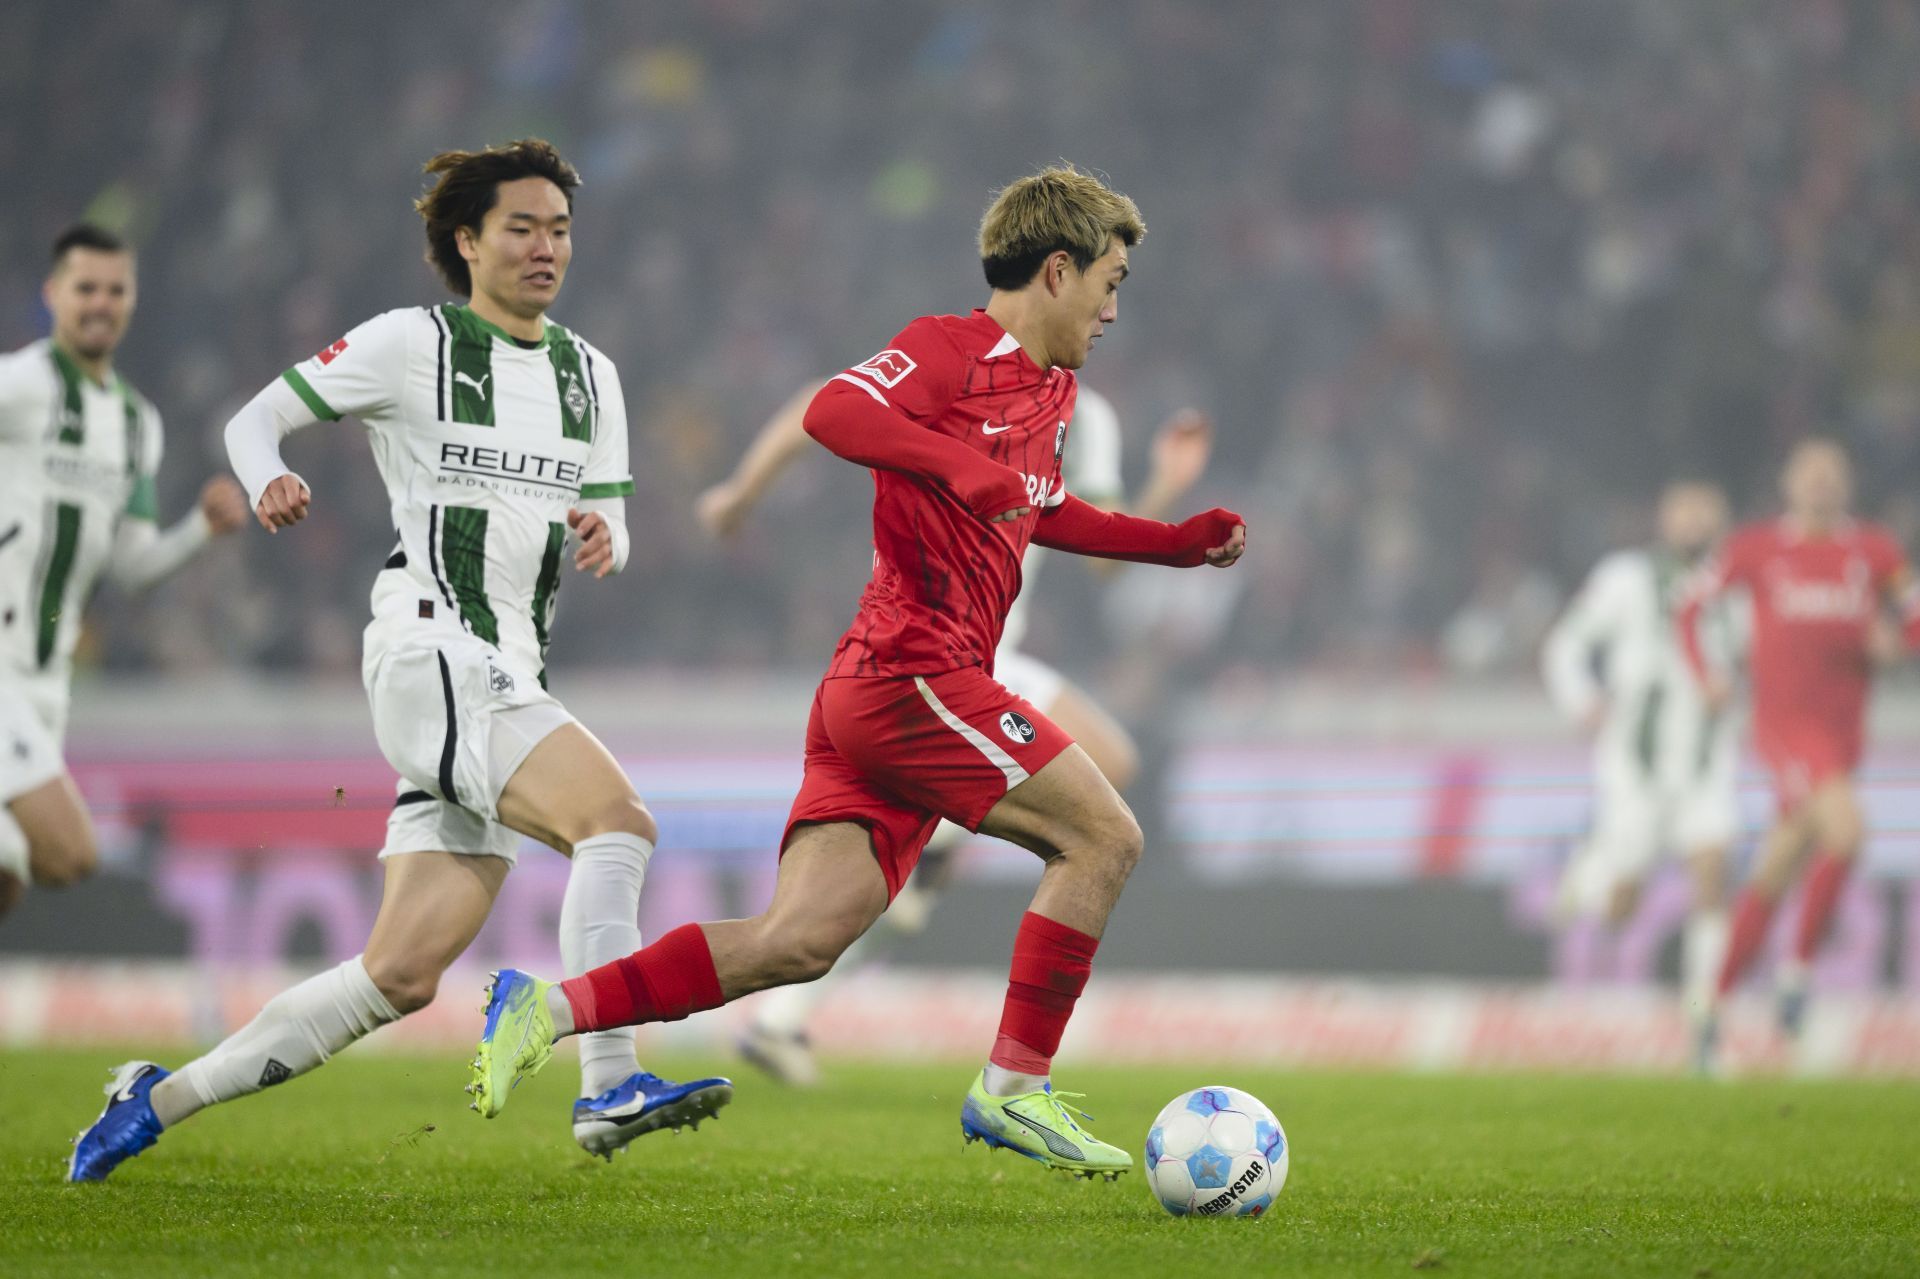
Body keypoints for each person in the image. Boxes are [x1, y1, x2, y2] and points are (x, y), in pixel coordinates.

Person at [468, 165, 1246, 1181]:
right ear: (1057, 270)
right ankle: (1015, 1090)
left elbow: (1044, 509)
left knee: (797, 940)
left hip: (881, 690)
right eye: (1110, 279)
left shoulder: (1054, 389)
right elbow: (835, 411)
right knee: (1103, 836)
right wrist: (953, 464)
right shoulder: (945, 348)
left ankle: (547, 1005)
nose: (1113, 306)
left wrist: (1175, 540)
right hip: (916, 675)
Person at [68, 140, 729, 1183]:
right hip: (431, 649)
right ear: (467, 241)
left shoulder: (589, 374)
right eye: (521, 226)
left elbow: (607, 513)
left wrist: (610, 539)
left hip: (505, 672)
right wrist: (269, 473)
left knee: (402, 973)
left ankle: (155, 1096)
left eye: (559, 228)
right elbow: (255, 417)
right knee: (618, 822)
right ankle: (608, 1078)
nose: (545, 246)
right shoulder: (410, 345)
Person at [697, 382, 1215, 1085]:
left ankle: (782, 1014)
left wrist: (1165, 483)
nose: (1105, 312)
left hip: (995, 653)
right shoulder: (954, 372)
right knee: (1097, 774)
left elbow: (1101, 554)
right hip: (936, 651)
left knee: (1086, 778)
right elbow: (821, 406)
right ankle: (776, 1002)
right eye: (1103, 285)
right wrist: (743, 488)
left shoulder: (1087, 415)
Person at [0, 224, 247, 921]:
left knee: (9, 881)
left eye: (115, 289)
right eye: (86, 289)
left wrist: (199, 529)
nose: (100, 303)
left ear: (132, 300)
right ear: (53, 295)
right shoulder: (21, 385)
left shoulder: (141, 425)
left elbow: (131, 567)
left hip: (47, 684)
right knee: (70, 851)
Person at [1678, 439, 1919, 1060]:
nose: (1820, 484)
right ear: (1787, 482)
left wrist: (1896, 641)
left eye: (1832, 475)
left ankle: (1714, 1000)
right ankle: (1797, 976)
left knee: (1779, 867)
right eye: (1809, 474)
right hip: (1785, 731)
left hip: (1843, 737)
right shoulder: (1756, 548)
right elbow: (1689, 606)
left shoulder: (1877, 552)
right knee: (1847, 832)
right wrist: (1706, 672)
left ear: (1847, 485)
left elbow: (1912, 621)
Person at [1542, 480, 1742, 1060]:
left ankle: (1707, 1027)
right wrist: (1582, 700)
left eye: (1706, 509)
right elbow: (1565, 644)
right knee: (1620, 907)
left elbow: (1767, 659)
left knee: (1713, 877)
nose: (1695, 520)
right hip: (1636, 766)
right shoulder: (1625, 578)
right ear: (1664, 517)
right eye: (1684, 509)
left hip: (1708, 764)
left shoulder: (1740, 587)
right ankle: (1592, 871)